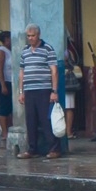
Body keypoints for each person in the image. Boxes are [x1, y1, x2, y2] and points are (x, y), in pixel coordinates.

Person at [17, 25, 60, 158]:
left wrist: (54, 91)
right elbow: (21, 72)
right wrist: (21, 91)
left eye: (33, 36)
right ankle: (31, 149)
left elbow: (54, 71)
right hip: (29, 90)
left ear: (38, 35)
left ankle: (54, 149)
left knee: (45, 120)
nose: (30, 38)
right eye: (28, 36)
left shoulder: (48, 49)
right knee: (31, 120)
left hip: (44, 90)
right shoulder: (25, 51)